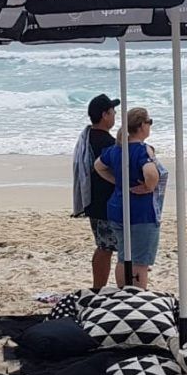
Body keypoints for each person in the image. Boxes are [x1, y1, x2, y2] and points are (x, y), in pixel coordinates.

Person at [94, 107, 160, 288]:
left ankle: (123, 294)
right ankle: (137, 298)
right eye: (149, 122)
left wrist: (118, 181)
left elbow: (98, 166)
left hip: (117, 208)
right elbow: (151, 174)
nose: (150, 126)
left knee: (124, 256)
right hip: (140, 211)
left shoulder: (116, 149)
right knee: (140, 261)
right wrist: (148, 186)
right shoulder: (142, 150)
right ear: (141, 126)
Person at [73, 94, 120, 287]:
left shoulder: (88, 137)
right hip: (104, 202)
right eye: (112, 111)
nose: (115, 115)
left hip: (93, 200)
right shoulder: (105, 143)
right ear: (104, 115)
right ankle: (98, 287)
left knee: (104, 246)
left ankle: (98, 287)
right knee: (105, 247)